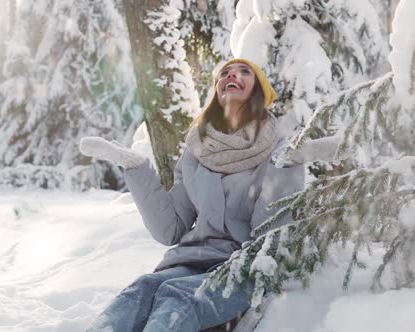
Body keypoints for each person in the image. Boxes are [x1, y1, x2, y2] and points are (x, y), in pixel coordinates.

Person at [79, 58, 304, 331]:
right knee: (142, 289)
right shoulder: (197, 152)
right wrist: (136, 169)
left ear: (258, 91)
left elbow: (268, 233)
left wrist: (285, 167)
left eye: (245, 72)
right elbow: (170, 229)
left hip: (243, 267)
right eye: (225, 73)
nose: (232, 75)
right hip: (191, 261)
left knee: (179, 298)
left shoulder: (278, 149)